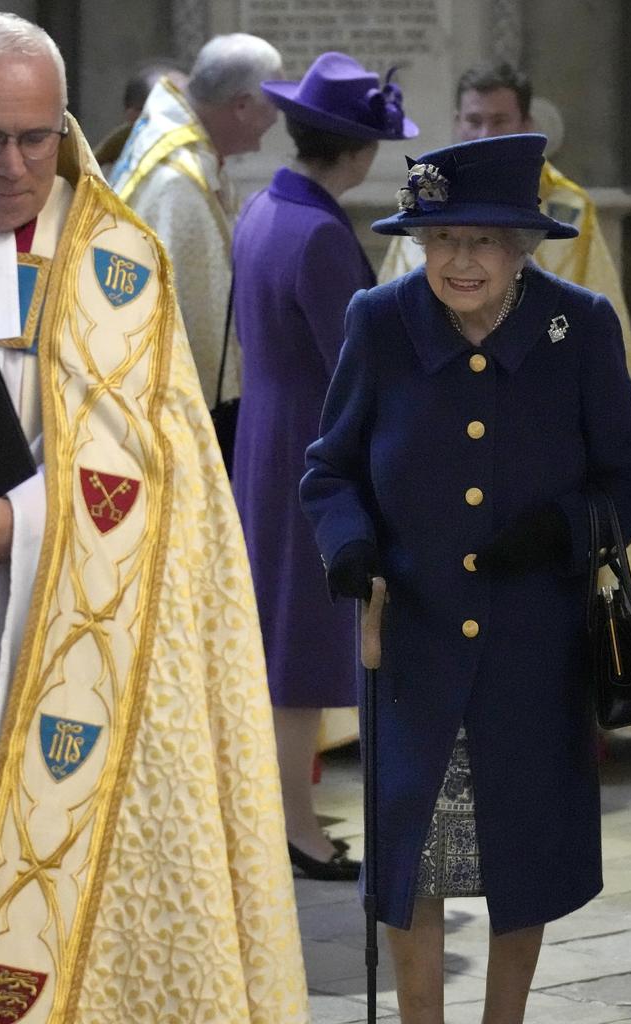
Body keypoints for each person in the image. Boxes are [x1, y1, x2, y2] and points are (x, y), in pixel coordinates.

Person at [0, 13, 308, 1024]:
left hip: (55, 647)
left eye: (37, 137)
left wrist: (29, 523)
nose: (11, 164)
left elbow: (171, 477)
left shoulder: (119, 263)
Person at [300, 134, 631, 1023]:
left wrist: (561, 531)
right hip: (413, 642)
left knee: (525, 857)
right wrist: (346, 543)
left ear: (523, 247)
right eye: (444, 239)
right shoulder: (379, 321)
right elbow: (329, 469)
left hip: (534, 647)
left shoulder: (577, 326)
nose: (461, 262)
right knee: (409, 856)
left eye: (484, 241)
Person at [379, 63, 631, 714]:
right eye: (472, 120)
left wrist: (569, 530)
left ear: (528, 125)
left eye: (499, 120)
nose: (460, 256)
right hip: (427, 585)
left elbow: (598, 340)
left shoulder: (565, 214)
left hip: (538, 550)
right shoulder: (424, 211)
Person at [232, 51, 417, 881]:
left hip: (267, 437)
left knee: (279, 644)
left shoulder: (265, 207)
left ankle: (282, 816)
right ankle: (296, 827)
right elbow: (356, 363)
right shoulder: (317, 232)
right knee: (299, 654)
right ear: (358, 150)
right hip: (311, 448)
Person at [111, 33, 282, 407]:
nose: (276, 118)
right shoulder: (178, 183)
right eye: (273, 105)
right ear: (241, 106)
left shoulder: (185, 149)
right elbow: (186, 324)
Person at [92, 60, 189, 177]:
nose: (186, 123)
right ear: (134, 117)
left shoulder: (204, 169)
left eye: (188, 112)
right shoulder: (95, 183)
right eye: (171, 113)